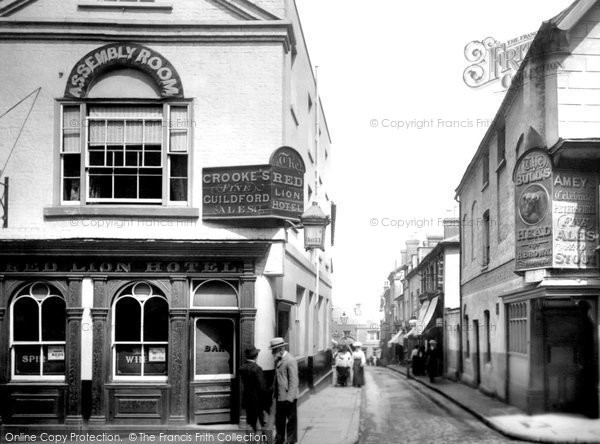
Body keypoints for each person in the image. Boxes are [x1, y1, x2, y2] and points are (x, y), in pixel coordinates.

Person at [270, 337, 299, 444]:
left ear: (280, 349)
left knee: (291, 420)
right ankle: (279, 439)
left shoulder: (290, 360)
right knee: (279, 420)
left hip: (288, 397)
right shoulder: (278, 360)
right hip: (279, 396)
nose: (272, 352)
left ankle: (291, 441)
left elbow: (293, 381)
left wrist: (290, 398)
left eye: (274, 350)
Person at [239, 346, 269, 434]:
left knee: (250, 422)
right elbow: (262, 387)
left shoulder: (242, 368)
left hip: (248, 399)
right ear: (256, 356)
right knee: (262, 422)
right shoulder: (257, 369)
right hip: (258, 401)